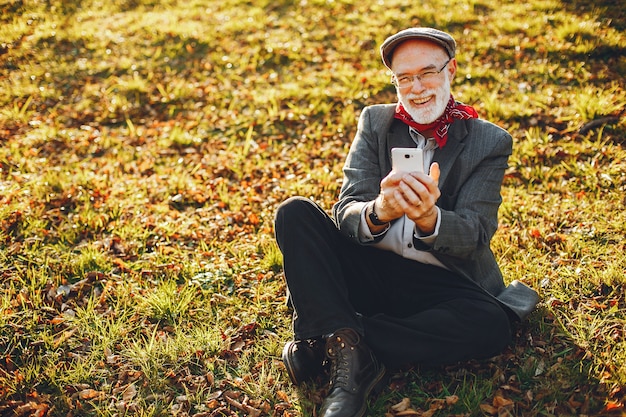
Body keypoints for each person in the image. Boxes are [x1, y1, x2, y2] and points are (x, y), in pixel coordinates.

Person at [274, 27, 539, 417]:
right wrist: (379, 210)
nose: (416, 88)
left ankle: (340, 339)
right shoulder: (376, 123)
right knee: (294, 212)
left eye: (427, 73)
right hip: (371, 266)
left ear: (451, 71)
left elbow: (476, 232)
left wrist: (430, 219)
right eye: (404, 78)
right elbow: (346, 211)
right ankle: (350, 350)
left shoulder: (488, 141)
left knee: (490, 325)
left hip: (439, 281)